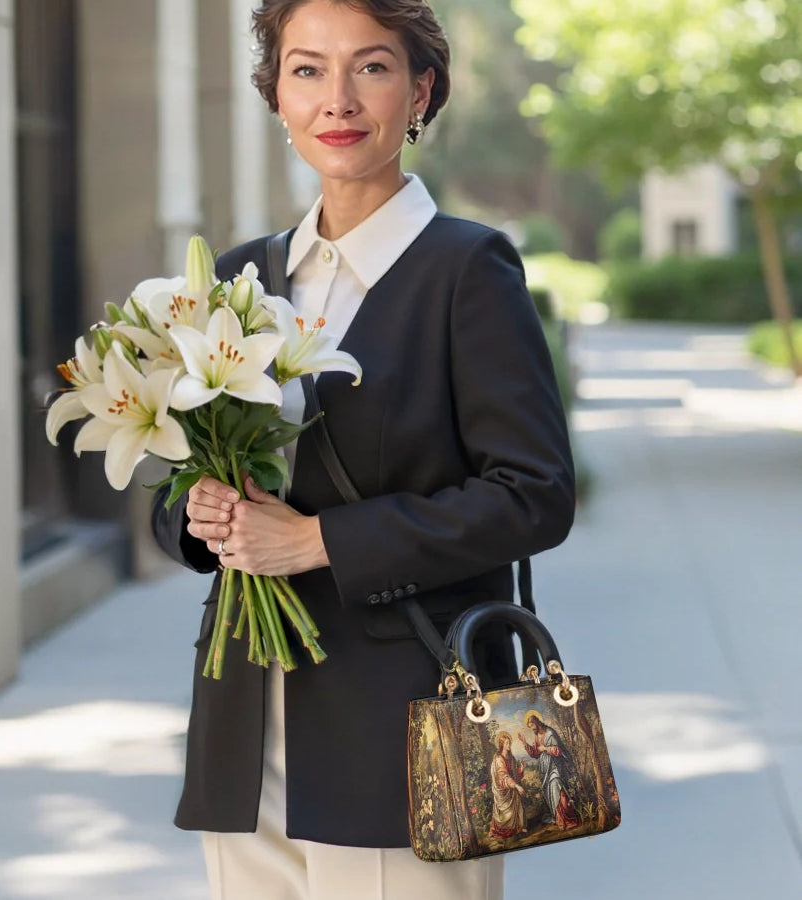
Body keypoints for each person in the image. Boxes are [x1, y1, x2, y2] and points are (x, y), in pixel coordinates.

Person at [151, 1, 575, 897]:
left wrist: (318, 543)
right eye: (307, 69)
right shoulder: (239, 277)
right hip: (243, 727)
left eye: (371, 67)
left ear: (421, 90)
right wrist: (201, 517)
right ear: (276, 96)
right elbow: (179, 478)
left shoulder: (467, 270)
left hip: (405, 731)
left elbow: (534, 494)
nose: (337, 98)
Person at [519, 713, 580, 831]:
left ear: (537, 722)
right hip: (546, 770)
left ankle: (570, 819)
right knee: (551, 793)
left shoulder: (550, 733)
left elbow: (558, 750)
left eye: (532, 725)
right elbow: (535, 754)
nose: (532, 728)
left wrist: (545, 749)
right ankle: (560, 819)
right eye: (530, 726)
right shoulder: (537, 737)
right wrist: (525, 743)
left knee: (558, 789)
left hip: (556, 767)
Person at [489, 732, 528, 841]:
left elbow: (515, 774)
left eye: (509, 742)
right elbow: (504, 777)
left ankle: (519, 827)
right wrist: (517, 786)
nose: (509, 744)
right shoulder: (498, 759)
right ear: (501, 745)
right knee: (508, 813)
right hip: (504, 789)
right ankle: (505, 831)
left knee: (518, 805)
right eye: (506, 743)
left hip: (512, 787)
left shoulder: (511, 757)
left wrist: (522, 768)